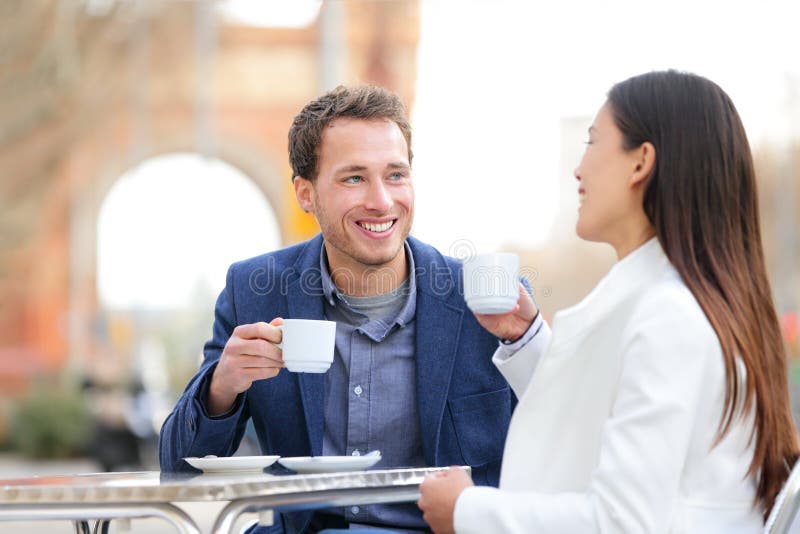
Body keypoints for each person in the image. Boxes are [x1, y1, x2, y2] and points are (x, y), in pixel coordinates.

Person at [417, 70, 800, 533]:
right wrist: (528, 338)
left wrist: (465, 511)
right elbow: (605, 412)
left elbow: (621, 524)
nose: (578, 168)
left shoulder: (669, 316)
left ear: (641, 162)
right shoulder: (681, 302)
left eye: (593, 142)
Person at [159, 85, 516, 534]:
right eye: (354, 178)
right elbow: (177, 470)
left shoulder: (488, 301)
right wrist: (222, 387)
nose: (382, 201)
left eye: (395, 175)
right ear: (305, 194)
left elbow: (556, 447)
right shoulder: (254, 291)